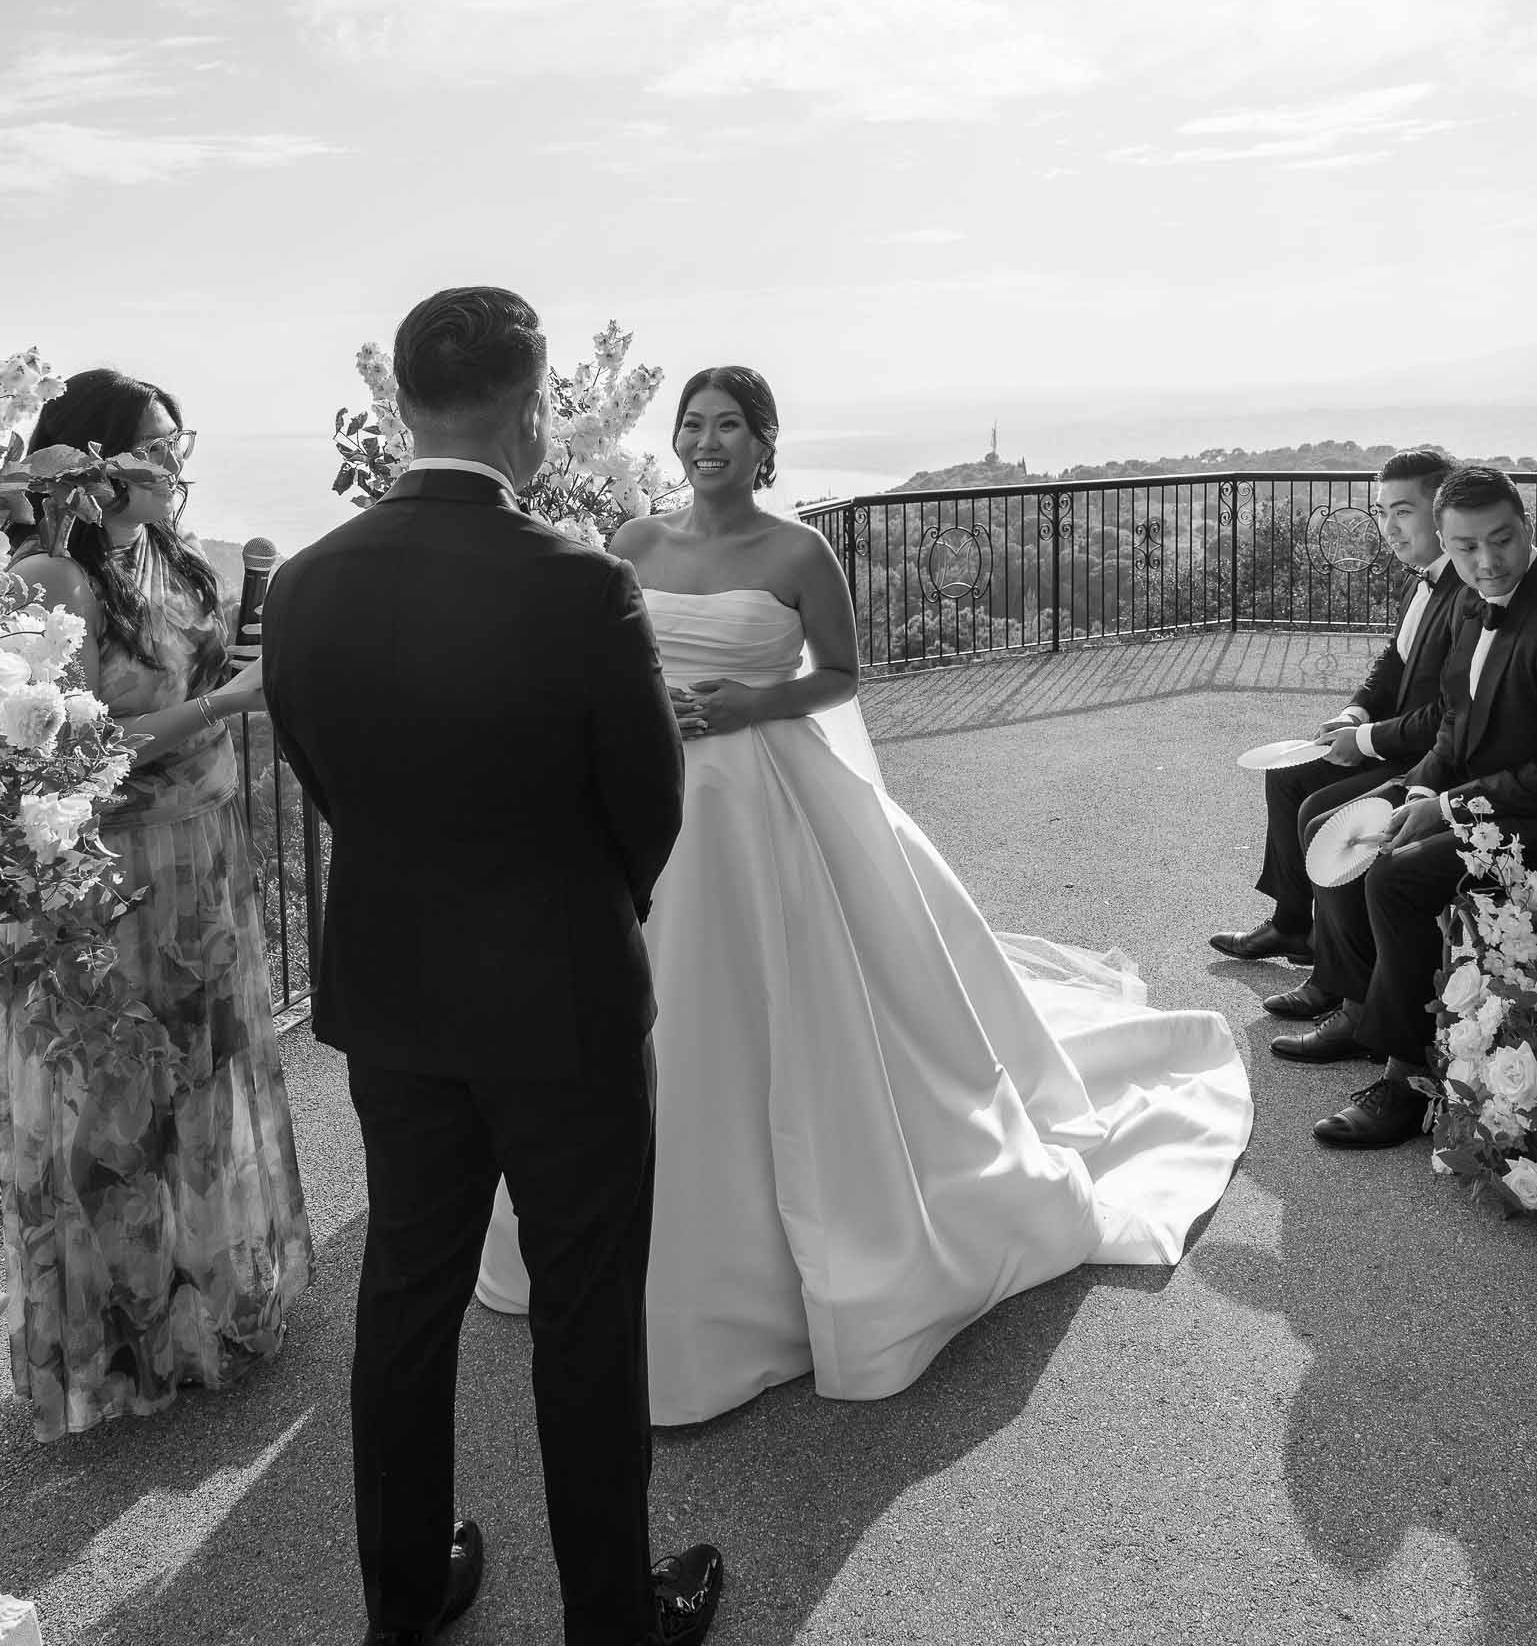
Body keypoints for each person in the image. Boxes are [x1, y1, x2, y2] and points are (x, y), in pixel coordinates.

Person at [477, 366, 1253, 1427]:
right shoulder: (632, 540)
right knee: (634, 998)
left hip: (759, 794)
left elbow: (840, 674)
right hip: (644, 792)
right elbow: (593, 658)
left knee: (764, 995)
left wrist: (755, 700)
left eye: (730, 427)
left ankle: (763, 1244)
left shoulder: (799, 551)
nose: (708, 442)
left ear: (764, 444)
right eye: (693, 425)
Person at [260, 290, 722, 1646]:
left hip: (395, 998)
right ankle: (608, 1621)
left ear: (403, 407)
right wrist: (597, 906)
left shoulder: (305, 582)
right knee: (585, 1312)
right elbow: (649, 799)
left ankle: (404, 1605)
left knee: (405, 1298)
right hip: (564, 1001)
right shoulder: (577, 582)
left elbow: (320, 772)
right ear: (530, 415)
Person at [1, 369, 313, 1443]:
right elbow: (47, 758)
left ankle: (202, 1312)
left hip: (207, 850)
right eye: (156, 442)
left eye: (181, 437)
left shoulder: (169, 558)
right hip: (117, 875)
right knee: (117, 1106)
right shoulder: (48, 577)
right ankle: (119, 1340)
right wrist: (223, 704)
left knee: (203, 1080)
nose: (176, 458)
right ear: (91, 461)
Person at [1294, 465, 1537, 1146]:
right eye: (1466, 549)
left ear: (1526, 526)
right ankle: (1363, 1009)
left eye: (1502, 540)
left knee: (1397, 875)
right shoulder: (1468, 602)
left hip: (1525, 813)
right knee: (1344, 827)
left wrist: (1448, 808)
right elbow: (1456, 725)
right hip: (1473, 796)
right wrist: (1422, 789)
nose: (1486, 562)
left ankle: (1403, 1084)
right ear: (1449, 545)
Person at [1210, 447, 1459, 1006]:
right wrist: (1353, 714)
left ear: (1442, 512)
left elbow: (1448, 716)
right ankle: (1292, 923)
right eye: (1383, 512)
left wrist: (1366, 741)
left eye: (1403, 512)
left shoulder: (1466, 590)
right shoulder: (1420, 581)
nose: (1389, 529)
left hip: (1422, 755)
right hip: (1391, 734)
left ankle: (1336, 979)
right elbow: (1391, 665)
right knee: (1288, 774)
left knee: (1317, 815)